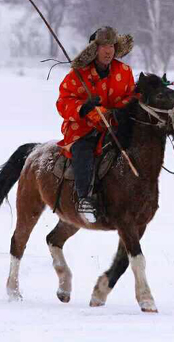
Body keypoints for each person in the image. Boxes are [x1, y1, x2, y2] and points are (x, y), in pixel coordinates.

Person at [56, 26, 136, 223]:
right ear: (94, 48)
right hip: (83, 128)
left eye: (111, 45)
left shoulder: (124, 71)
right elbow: (62, 102)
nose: (108, 51)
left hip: (115, 124)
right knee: (83, 148)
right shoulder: (77, 75)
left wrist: (115, 112)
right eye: (103, 46)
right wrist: (84, 108)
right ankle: (84, 198)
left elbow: (131, 97)